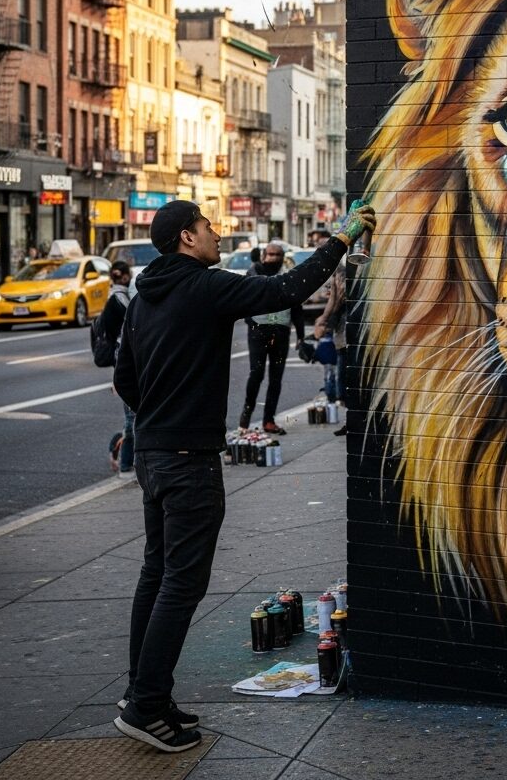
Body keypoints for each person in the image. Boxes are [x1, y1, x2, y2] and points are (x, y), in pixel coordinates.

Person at [112, 197, 374, 753]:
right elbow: (284, 291)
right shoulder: (204, 286)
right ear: (187, 237)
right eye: (207, 227)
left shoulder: (143, 299)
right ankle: (145, 705)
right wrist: (343, 238)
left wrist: (157, 418)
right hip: (189, 461)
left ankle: (143, 691)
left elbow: (124, 380)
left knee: (155, 576)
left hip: (156, 456)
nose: (216, 235)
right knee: (181, 584)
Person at [237, 242, 305, 434]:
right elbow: (244, 298)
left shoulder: (287, 276)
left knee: (276, 379)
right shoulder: (254, 272)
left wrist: (300, 336)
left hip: (281, 332)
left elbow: (297, 307)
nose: (274, 258)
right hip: (259, 331)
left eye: (278, 255)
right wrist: (250, 321)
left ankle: (269, 420)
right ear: (264, 255)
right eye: (271, 254)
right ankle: (245, 420)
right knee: (256, 374)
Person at [98, 260, 134, 473]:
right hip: (125, 365)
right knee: (132, 420)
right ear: (125, 277)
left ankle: (124, 460)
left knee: (133, 418)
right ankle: (125, 464)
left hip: (123, 365)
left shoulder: (116, 298)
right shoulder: (121, 300)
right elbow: (120, 339)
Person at [313, 259, 347, 435]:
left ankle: (353, 421)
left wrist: (325, 319)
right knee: (344, 381)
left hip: (345, 335)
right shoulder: (337, 271)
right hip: (341, 336)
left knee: (345, 383)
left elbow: (336, 297)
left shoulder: (339, 271)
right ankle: (351, 421)